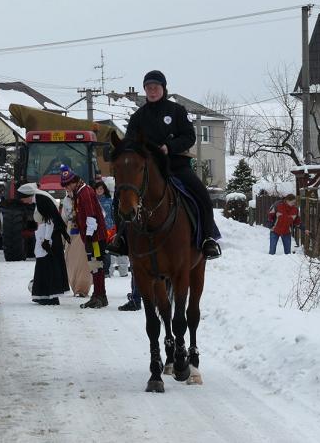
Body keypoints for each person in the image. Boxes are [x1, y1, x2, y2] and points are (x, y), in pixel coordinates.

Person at [108, 70, 222, 260]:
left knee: (200, 192)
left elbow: (189, 136)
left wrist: (169, 147)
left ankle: (207, 239)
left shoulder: (177, 111)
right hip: (146, 170)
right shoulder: (138, 117)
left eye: (156, 87)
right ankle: (122, 239)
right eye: (148, 88)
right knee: (120, 196)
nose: (152, 91)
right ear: (145, 90)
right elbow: (129, 143)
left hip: (175, 165)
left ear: (163, 88)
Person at [60, 164, 108, 309]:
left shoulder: (85, 193)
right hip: (91, 237)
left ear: (73, 182)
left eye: (67, 185)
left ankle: (100, 295)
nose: (66, 188)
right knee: (94, 266)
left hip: (95, 238)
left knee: (96, 265)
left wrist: (88, 238)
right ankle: (99, 295)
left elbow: (91, 217)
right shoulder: (80, 191)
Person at [18, 183, 70, 305]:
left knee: (48, 266)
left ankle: (49, 296)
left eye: (23, 199)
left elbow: (50, 221)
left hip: (49, 237)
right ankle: (44, 295)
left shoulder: (42, 200)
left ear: (28, 195)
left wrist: (47, 240)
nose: (24, 202)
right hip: (45, 236)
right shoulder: (40, 198)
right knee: (45, 266)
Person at [61, 191, 92, 297]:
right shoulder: (66, 200)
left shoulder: (85, 198)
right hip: (71, 232)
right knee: (70, 259)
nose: (68, 191)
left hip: (84, 232)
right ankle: (74, 286)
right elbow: (64, 218)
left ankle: (82, 288)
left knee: (83, 262)